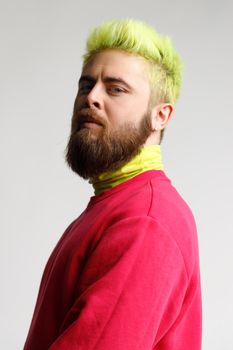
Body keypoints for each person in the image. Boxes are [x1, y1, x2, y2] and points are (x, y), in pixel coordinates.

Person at [23, 19, 202, 350]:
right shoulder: (114, 206)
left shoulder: (146, 221)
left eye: (116, 88)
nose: (91, 97)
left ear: (160, 115)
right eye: (86, 85)